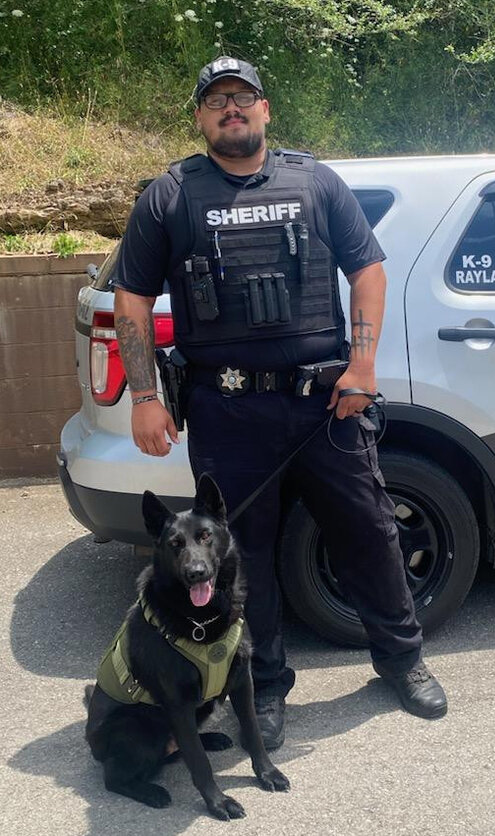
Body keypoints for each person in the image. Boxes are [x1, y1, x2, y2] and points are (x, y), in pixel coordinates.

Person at [112, 56, 447, 750]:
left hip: (325, 407)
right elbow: (133, 297)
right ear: (201, 118)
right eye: (216, 102)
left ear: (265, 109)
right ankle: (263, 687)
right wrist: (145, 396)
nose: (231, 110)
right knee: (245, 557)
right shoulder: (171, 195)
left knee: (369, 532)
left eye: (243, 98)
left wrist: (362, 363)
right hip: (227, 413)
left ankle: (403, 660)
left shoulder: (316, 182)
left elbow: (369, 269)